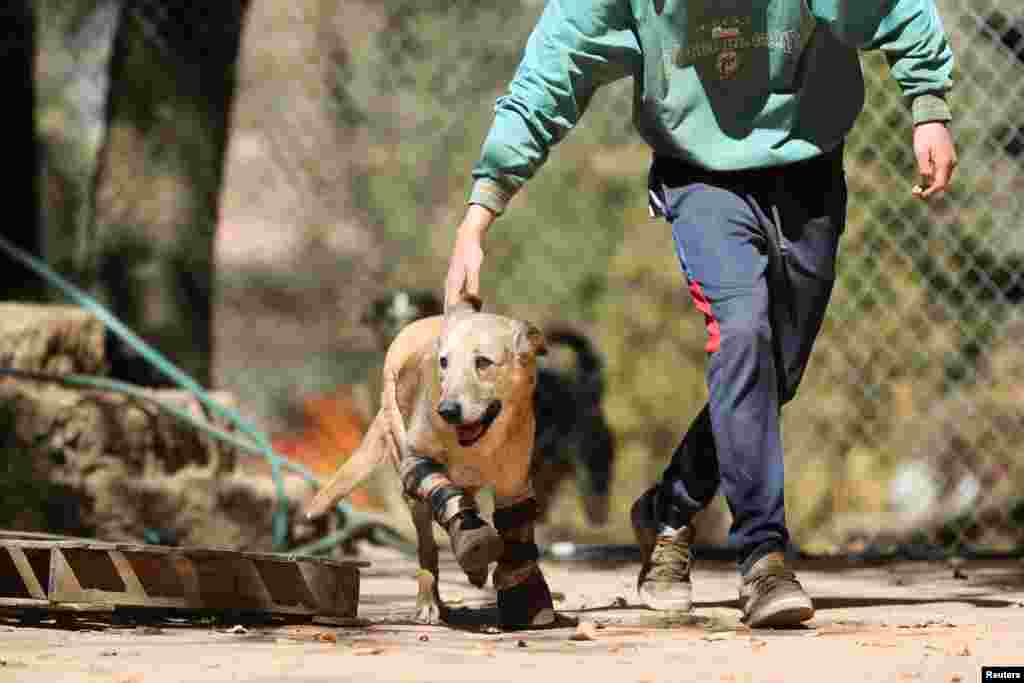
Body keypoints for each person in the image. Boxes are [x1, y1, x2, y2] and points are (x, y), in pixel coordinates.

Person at [443, 0, 957, 628]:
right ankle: (763, 558)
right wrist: (480, 214)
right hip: (701, 178)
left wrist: (928, 104)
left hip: (809, 168)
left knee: (775, 372)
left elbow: (891, 6)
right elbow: (550, 79)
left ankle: (669, 506)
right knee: (742, 333)